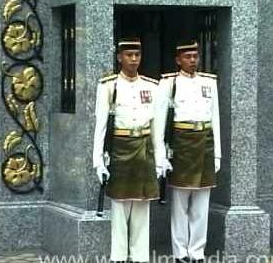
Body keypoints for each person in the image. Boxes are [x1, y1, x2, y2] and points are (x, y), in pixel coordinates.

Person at [92, 37, 162, 263]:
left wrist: (160, 158)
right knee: (120, 207)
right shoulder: (108, 86)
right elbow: (101, 126)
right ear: (119, 57)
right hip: (120, 148)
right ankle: (119, 256)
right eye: (129, 55)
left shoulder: (151, 86)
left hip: (143, 148)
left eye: (137, 55)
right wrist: (98, 162)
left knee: (142, 205)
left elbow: (156, 128)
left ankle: (140, 257)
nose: (134, 59)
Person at [155, 40, 221, 263]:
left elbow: (216, 119)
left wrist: (218, 153)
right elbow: (160, 122)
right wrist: (160, 156)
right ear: (178, 60)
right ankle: (180, 252)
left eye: (195, 56)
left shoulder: (208, 82)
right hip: (182, 144)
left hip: (205, 142)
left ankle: (197, 251)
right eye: (187, 57)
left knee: (202, 203)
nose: (192, 60)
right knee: (181, 202)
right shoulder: (169, 83)